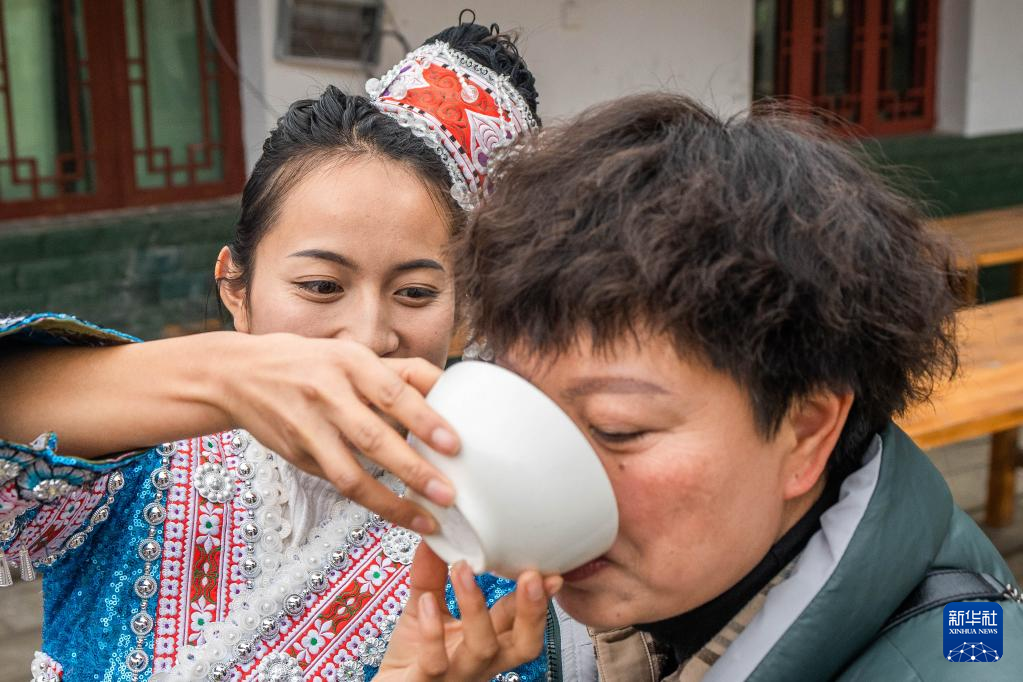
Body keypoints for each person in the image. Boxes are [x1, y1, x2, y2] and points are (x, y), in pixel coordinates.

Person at [0, 19, 585, 682]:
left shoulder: (489, 551)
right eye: (321, 285)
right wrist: (219, 375)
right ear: (236, 287)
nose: (368, 337)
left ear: (463, 317)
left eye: (416, 293)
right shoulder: (129, 453)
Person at [377, 93, 1023, 680]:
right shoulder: (639, 611)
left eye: (615, 428)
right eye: (525, 409)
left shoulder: (972, 657)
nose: (542, 472)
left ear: (805, 432)